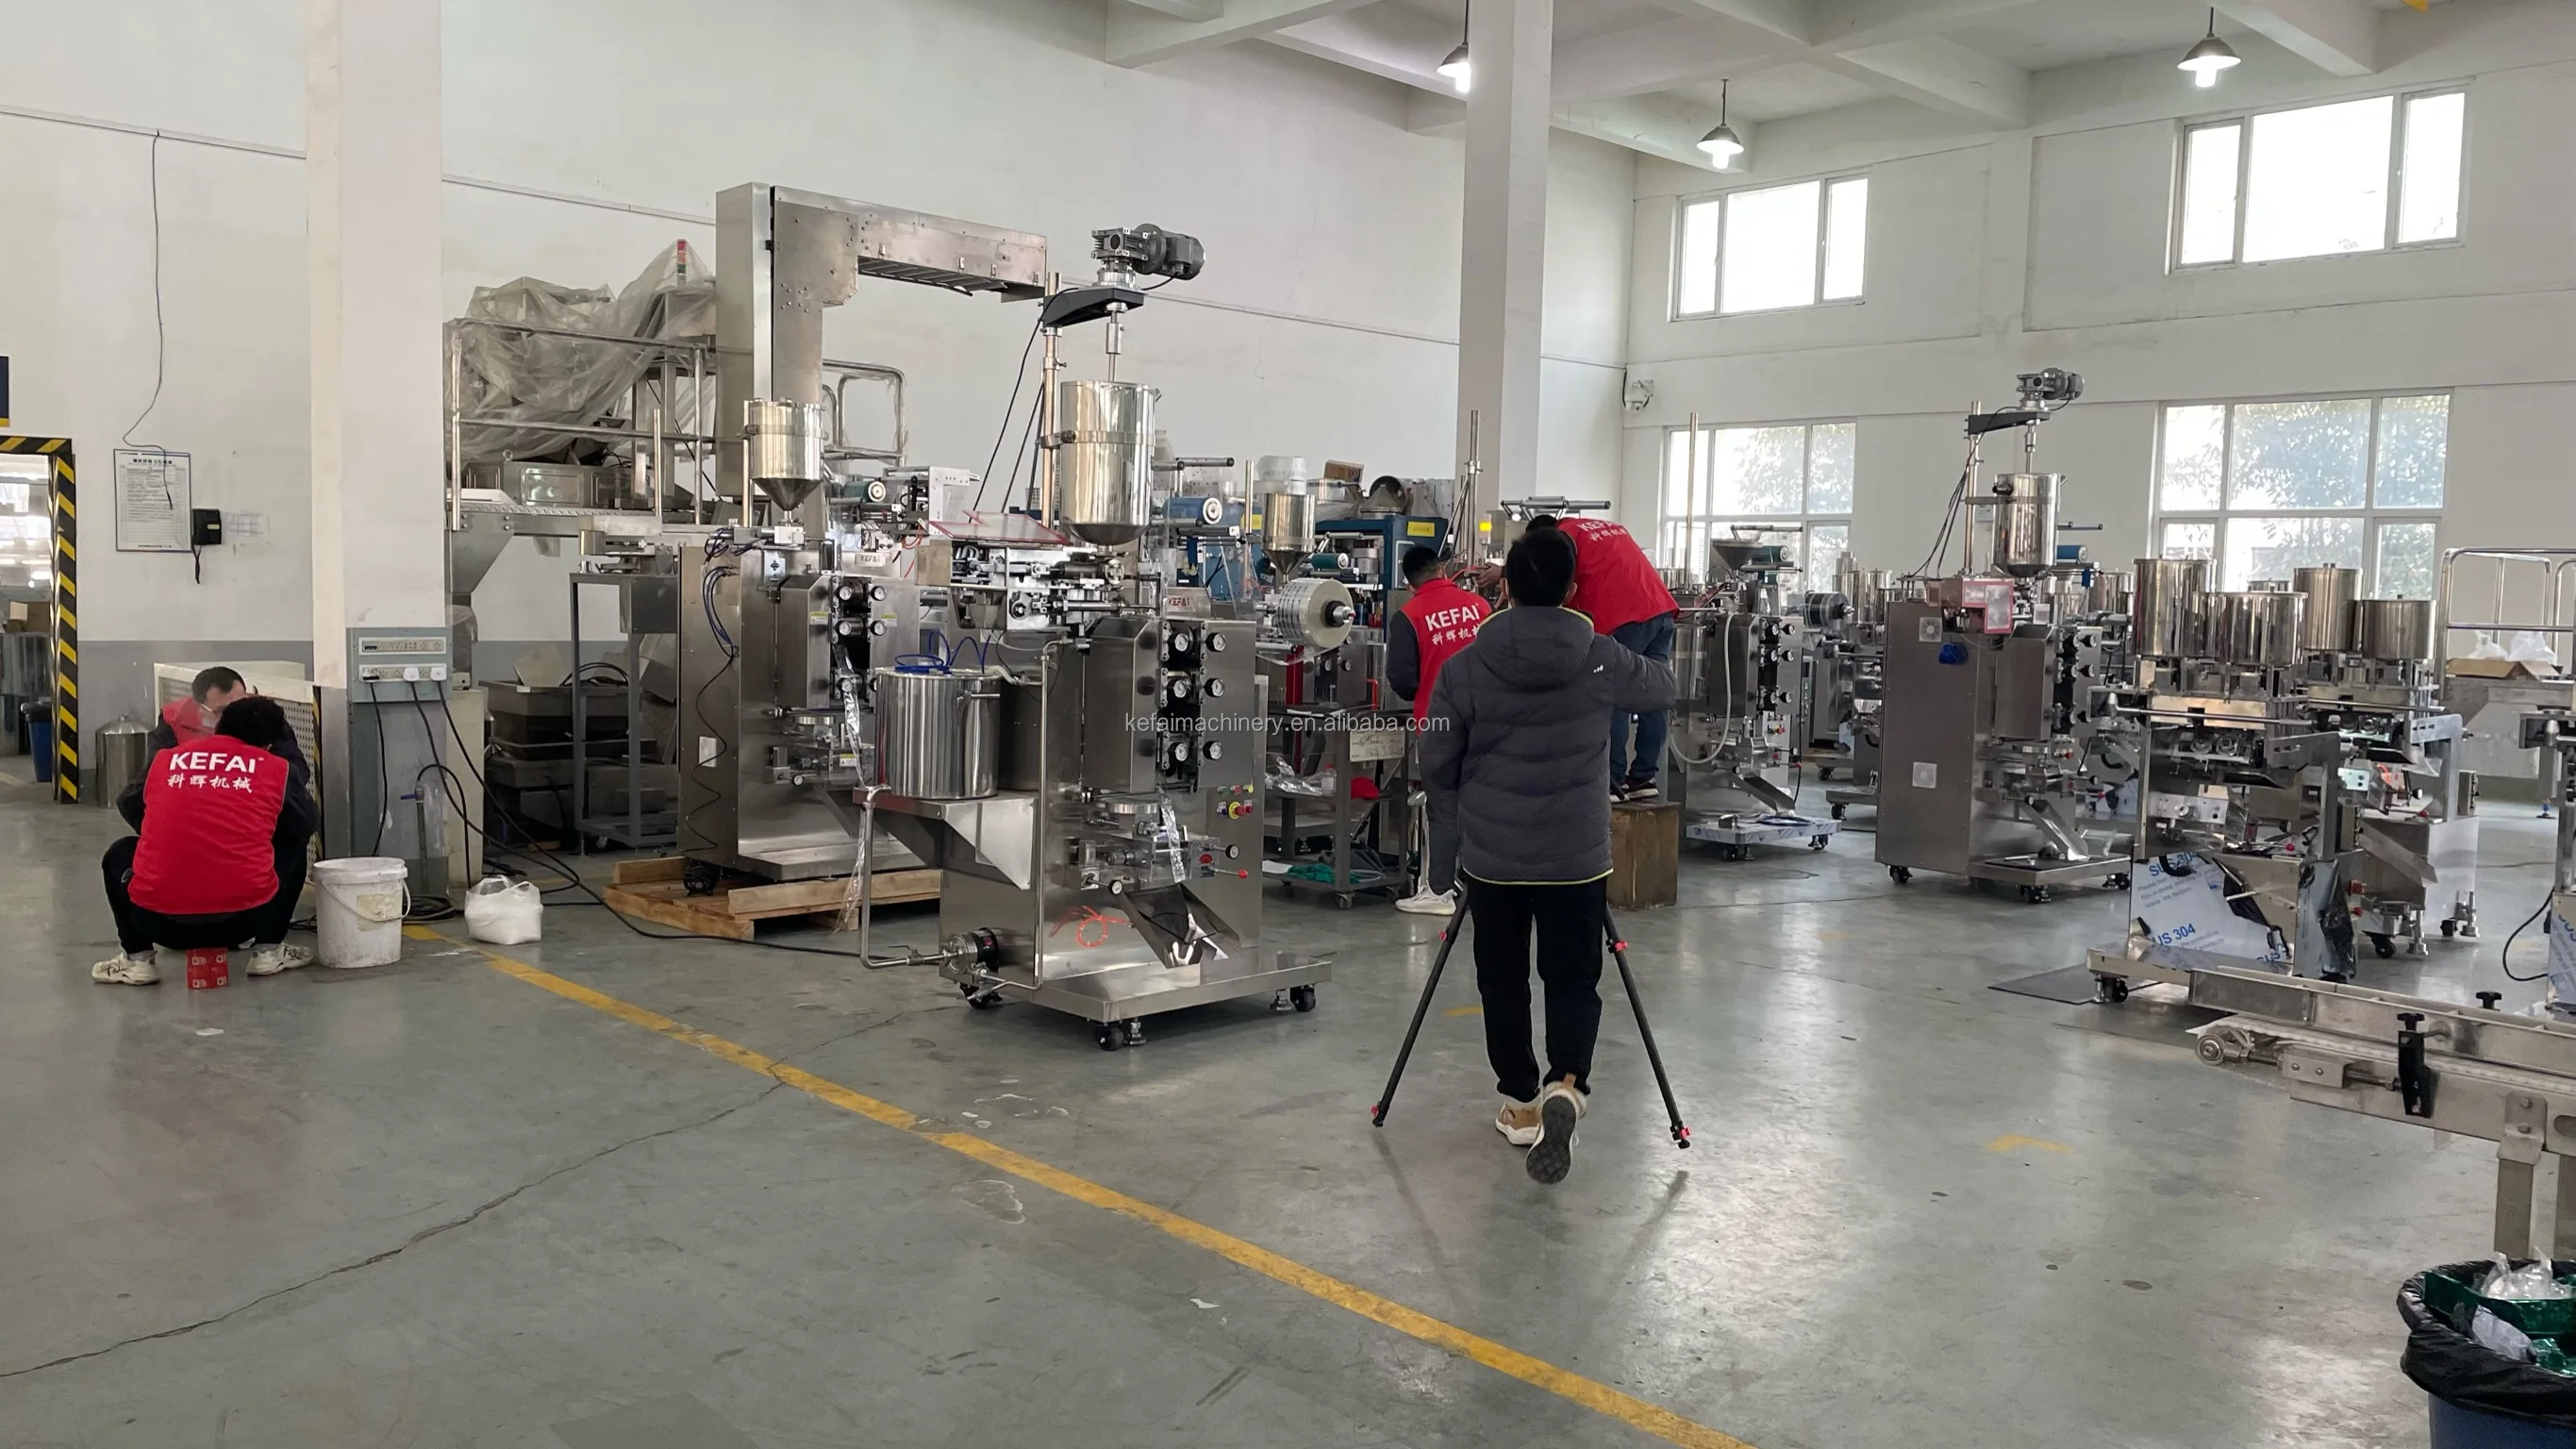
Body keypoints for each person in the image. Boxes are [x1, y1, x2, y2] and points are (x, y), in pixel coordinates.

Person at [1420, 528, 1675, 1184]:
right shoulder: (1601, 657)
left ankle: (1520, 1101)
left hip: (1494, 856)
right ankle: (1568, 1083)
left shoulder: (1465, 666)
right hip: (1575, 856)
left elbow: (1436, 760)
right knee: (1572, 977)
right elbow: (1661, 689)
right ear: (1572, 588)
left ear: (1504, 585)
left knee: (1501, 980)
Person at [93, 696, 317, 985]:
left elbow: (129, 802)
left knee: (119, 852)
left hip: (157, 923)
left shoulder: (167, 759)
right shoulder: (275, 768)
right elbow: (306, 822)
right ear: (269, 745)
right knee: (294, 841)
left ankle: (138, 960)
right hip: (246, 921)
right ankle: (268, 951)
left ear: (218, 727)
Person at [1529, 515, 1680, 803]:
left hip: (1624, 618)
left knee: (1612, 694)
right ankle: (1643, 777)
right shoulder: (1603, 527)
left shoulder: (1565, 534)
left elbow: (1553, 576)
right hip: (1659, 609)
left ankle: (1612, 780)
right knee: (1653, 696)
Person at [1387, 545, 1489, 915]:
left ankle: (1440, 892)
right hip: (1488, 723)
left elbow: (1402, 679)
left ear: (1409, 583)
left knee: (1444, 809)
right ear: (1442, 570)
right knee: (1487, 805)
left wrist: (1426, 690)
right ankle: (1489, 886)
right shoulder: (1480, 607)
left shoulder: (1408, 616)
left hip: (1438, 724)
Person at [148, 665, 310, 774]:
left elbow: (296, 770)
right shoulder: (175, 720)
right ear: (200, 708)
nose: (236, 715)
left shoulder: (263, 716)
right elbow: (153, 774)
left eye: (241, 705)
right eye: (222, 711)